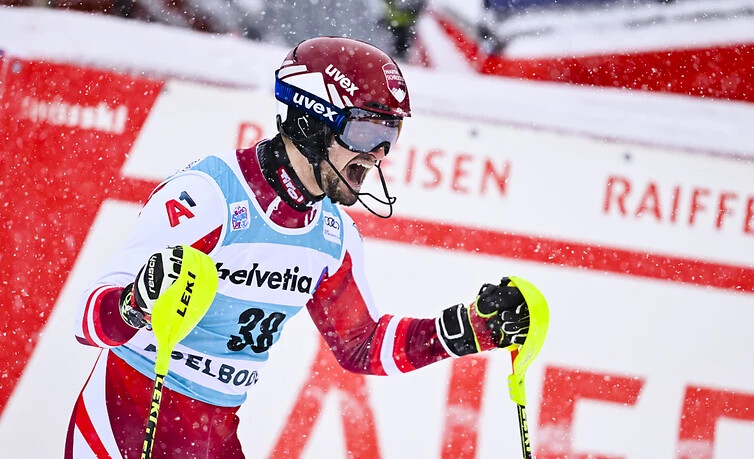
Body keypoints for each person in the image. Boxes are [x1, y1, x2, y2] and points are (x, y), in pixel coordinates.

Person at [66, 36, 530, 458]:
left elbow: (361, 345)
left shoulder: (331, 236)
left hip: (213, 439)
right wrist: (134, 304)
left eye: (390, 137)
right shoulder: (211, 197)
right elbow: (88, 320)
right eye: (367, 133)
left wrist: (471, 329)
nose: (377, 157)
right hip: (124, 426)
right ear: (310, 122)